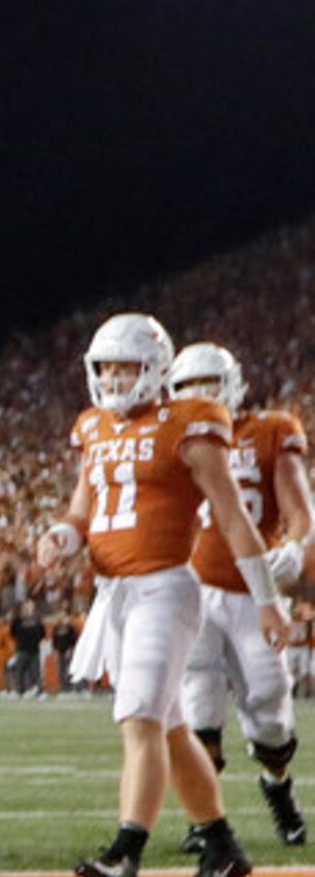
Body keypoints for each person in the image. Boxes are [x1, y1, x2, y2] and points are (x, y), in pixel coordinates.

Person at [41, 315, 282, 877]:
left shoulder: (187, 423)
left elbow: (231, 515)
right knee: (172, 728)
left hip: (165, 589)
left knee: (140, 717)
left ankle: (127, 851)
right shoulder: (93, 428)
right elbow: (82, 512)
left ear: (154, 370)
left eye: (125, 366)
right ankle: (221, 845)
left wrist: (267, 598)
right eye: (105, 367)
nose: (115, 378)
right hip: (114, 596)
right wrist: (61, 537)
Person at [163, 344, 308, 850]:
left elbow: (297, 502)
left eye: (208, 382)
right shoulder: (170, 438)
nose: (199, 395)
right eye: (187, 387)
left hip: (254, 593)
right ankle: (205, 823)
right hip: (193, 588)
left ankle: (277, 785)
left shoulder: (271, 430)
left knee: (269, 710)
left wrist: (297, 542)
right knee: (198, 708)